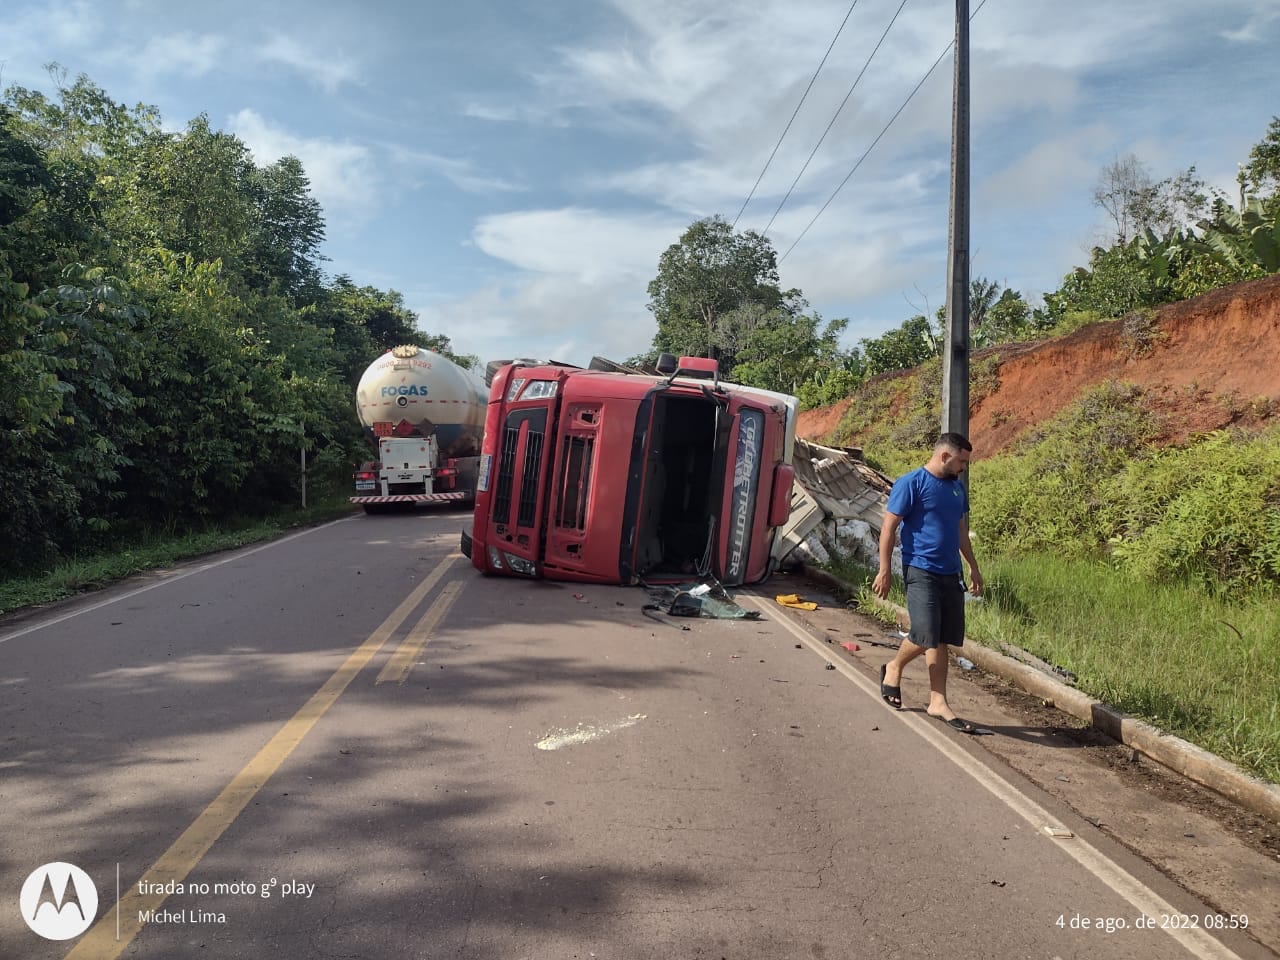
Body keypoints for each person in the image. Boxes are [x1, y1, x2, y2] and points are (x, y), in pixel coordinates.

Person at [871, 432, 983, 733]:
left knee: (942, 636)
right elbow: (889, 527)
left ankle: (938, 700)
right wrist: (885, 569)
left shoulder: (957, 489)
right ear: (945, 456)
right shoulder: (911, 483)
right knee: (926, 632)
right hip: (920, 569)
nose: (963, 467)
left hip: (951, 572)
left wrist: (973, 567)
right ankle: (894, 668)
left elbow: (960, 532)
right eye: (961, 461)